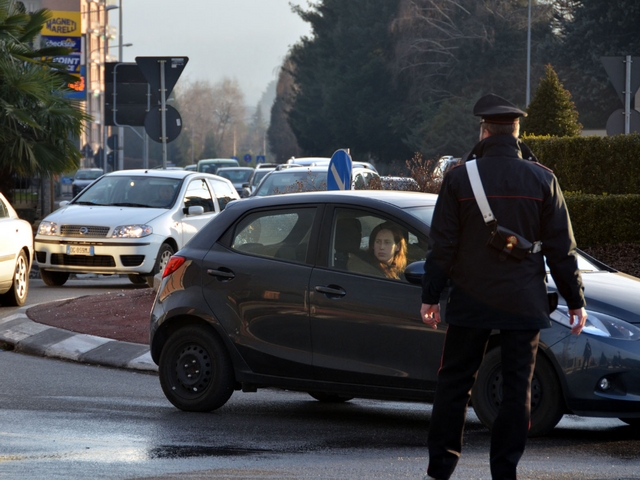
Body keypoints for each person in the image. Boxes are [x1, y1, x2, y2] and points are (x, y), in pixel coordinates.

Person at [420, 93, 587, 480]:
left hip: (470, 299)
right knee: (517, 389)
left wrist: (430, 295)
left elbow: (442, 245)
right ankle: (504, 471)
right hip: (523, 302)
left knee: (454, 384)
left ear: (483, 130)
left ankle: (442, 467)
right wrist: (575, 300)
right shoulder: (543, 178)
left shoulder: (460, 178)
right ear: (517, 131)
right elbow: (562, 250)